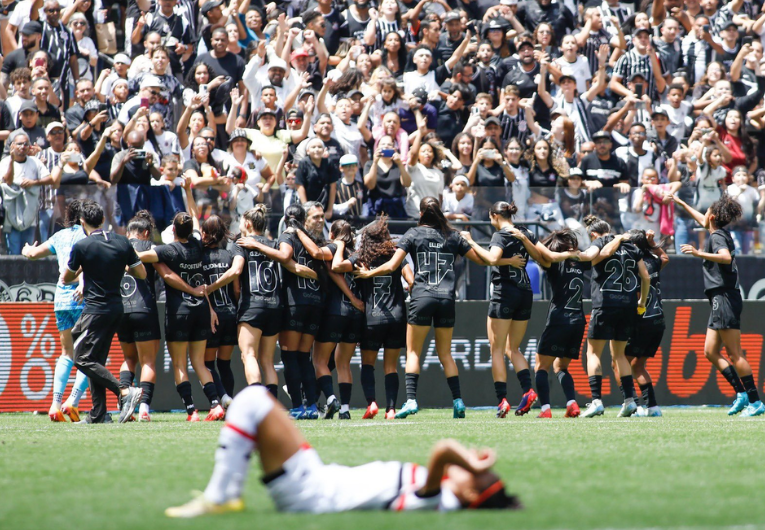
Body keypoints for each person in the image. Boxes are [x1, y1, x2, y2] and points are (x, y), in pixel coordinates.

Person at [165, 386, 520, 517]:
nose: (467, 467)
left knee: (252, 400)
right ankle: (223, 494)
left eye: (472, 473)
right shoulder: (442, 495)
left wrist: (472, 459)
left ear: (471, 492)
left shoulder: (442, 502)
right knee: (254, 402)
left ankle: (221, 496)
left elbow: (443, 449)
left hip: (311, 492)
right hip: (316, 480)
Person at [354, 197, 487, 419]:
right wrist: (471, 241)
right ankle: (458, 401)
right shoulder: (452, 235)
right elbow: (483, 262)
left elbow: (392, 265)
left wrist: (369, 273)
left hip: (422, 297)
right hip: (446, 298)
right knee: (445, 353)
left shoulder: (413, 234)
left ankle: (411, 400)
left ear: (422, 213)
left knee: (414, 352)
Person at [462, 202, 576, 417]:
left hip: (504, 293)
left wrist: (471, 242)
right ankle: (528, 391)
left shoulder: (499, 235)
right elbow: (545, 259)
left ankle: (502, 400)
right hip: (525, 292)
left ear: (494, 215)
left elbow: (491, 259)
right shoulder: (526, 232)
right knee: (513, 348)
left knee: (496, 349)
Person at [137, 185, 226, 422]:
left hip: (179, 312)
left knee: (179, 364)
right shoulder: (198, 244)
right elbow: (195, 216)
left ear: (173, 229)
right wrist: (188, 192)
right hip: (200, 311)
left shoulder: (167, 250)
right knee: (200, 362)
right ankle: (216, 405)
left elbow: (140, 256)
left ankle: (191, 411)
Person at [670, 193, 765, 417]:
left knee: (735, 353)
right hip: (720, 298)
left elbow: (724, 257)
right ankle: (741, 394)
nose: (703, 218)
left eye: (706, 214)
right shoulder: (717, 231)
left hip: (724, 297)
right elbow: (702, 221)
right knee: (710, 351)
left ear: (711, 216)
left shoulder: (717, 238)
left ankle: (755, 401)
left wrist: (697, 252)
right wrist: (681, 203)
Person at [209, 205, 315, 394]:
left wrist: (209, 288)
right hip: (275, 307)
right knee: (267, 361)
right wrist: (317, 276)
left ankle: (257, 400)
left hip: (252, 307)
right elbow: (295, 267)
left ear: (248, 224)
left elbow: (236, 272)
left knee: (249, 355)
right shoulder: (273, 245)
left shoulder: (241, 244)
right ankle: (272, 403)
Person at [236, 203, 326, 419]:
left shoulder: (281, 238)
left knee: (279, 356)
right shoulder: (313, 239)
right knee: (300, 357)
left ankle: (293, 406)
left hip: (286, 304)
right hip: (299, 304)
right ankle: (312, 406)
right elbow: (291, 264)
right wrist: (311, 274)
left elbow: (285, 258)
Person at [61, 200, 145, 424]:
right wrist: (121, 265)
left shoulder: (83, 246)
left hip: (95, 310)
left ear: (81, 222)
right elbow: (142, 273)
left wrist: (83, 267)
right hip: (116, 308)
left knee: (81, 358)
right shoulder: (122, 242)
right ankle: (99, 414)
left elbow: (66, 278)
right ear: (103, 219)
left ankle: (125, 391)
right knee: (95, 359)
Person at [333, 215, 413, 419]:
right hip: (396, 317)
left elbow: (336, 266)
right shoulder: (396, 255)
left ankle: (372, 403)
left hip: (371, 318)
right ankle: (392, 409)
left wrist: (340, 245)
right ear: (386, 236)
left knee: (367, 364)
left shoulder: (361, 257)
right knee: (390, 366)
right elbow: (410, 281)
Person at [21, 199, 89, 422]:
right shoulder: (87, 235)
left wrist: (27, 249)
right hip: (82, 297)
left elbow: (32, 254)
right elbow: (87, 264)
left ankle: (55, 404)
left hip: (60, 299)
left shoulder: (59, 236)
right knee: (89, 355)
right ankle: (74, 402)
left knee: (66, 353)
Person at [578, 215, 650, 418]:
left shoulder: (602, 241)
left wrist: (614, 239)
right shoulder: (632, 247)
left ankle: (596, 401)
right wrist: (642, 302)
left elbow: (600, 254)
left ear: (593, 234)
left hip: (605, 304)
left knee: (593, 353)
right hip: (627, 306)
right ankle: (629, 400)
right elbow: (645, 277)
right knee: (619, 355)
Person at [294, 220, 365, 419]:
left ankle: (331, 397)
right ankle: (345, 410)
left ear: (332, 234)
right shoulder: (358, 254)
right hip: (356, 314)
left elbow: (316, 253)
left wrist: (299, 232)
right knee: (343, 363)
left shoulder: (333, 248)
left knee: (319, 361)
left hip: (335, 311)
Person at [534, 229, 589, 417]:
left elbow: (540, 253)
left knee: (541, 366)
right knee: (561, 367)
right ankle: (572, 404)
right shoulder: (580, 263)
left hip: (559, 318)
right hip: (578, 320)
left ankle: (545, 409)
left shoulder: (553, 263)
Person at [116, 211, 162, 422]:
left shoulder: (119, 247)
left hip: (122, 310)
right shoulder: (151, 248)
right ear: (145, 232)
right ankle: (144, 408)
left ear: (128, 234)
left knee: (128, 359)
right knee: (149, 363)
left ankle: (125, 404)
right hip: (144, 310)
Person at [622, 228, 667, 418]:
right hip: (658, 320)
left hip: (642, 319)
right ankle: (653, 407)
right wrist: (653, 245)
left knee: (620, 360)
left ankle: (632, 404)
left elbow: (638, 294)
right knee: (638, 365)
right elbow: (665, 258)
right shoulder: (653, 261)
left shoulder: (634, 266)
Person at [200, 215, 238, 410]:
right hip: (231, 313)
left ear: (205, 233)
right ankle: (228, 401)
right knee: (224, 363)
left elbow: (200, 287)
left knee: (207, 363)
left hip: (212, 315)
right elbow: (237, 289)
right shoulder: (229, 255)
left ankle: (222, 398)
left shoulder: (200, 255)